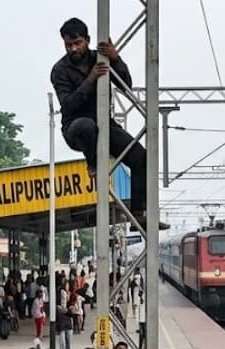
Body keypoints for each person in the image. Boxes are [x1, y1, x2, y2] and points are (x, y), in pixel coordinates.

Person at [50, 17, 158, 227]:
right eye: (69, 45)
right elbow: (68, 105)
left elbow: (126, 86)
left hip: (104, 124)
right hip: (76, 128)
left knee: (141, 157)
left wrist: (115, 59)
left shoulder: (100, 59)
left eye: (77, 43)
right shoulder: (60, 70)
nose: (73, 49)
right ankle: (93, 162)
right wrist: (91, 79)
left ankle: (139, 212)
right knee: (85, 126)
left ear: (87, 40)